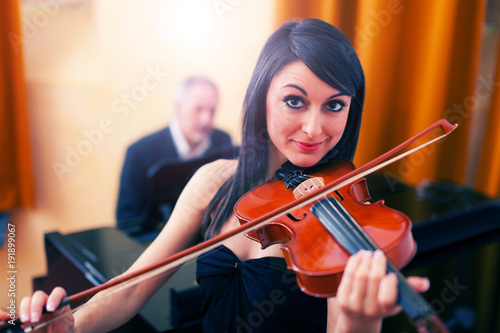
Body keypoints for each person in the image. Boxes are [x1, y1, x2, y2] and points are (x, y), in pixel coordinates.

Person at [17, 18, 430, 332]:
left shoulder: (349, 217)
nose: (314, 129)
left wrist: (362, 322)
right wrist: (72, 325)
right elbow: (132, 287)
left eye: (334, 106)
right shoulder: (213, 183)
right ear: (261, 95)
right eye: (294, 101)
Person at [116, 76, 233, 228]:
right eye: (198, 109)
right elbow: (127, 221)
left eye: (212, 110)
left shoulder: (223, 141)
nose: (206, 119)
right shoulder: (138, 153)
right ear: (179, 107)